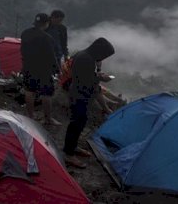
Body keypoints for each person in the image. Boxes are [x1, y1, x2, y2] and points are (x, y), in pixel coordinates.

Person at [64, 37, 115, 168]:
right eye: (104, 55)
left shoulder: (87, 57)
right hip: (79, 95)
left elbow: (88, 77)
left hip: (81, 94)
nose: (104, 58)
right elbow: (88, 81)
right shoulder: (85, 59)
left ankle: (73, 147)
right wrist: (101, 78)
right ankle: (68, 155)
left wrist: (98, 73)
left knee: (80, 123)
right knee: (76, 124)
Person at [21, 13, 60, 126]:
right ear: (46, 23)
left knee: (29, 91)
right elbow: (51, 56)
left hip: (28, 67)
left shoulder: (25, 33)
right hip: (43, 70)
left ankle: (30, 117)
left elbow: (22, 50)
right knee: (46, 94)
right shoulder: (46, 38)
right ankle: (48, 118)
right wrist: (57, 70)